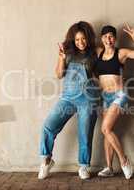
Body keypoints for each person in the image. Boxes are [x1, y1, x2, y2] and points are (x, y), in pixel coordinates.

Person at [38, 21, 100, 180]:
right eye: (77, 39)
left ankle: (84, 166)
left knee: (85, 133)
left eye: (84, 39)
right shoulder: (67, 52)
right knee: (48, 126)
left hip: (88, 98)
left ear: (89, 38)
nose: (81, 42)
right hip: (68, 98)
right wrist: (60, 58)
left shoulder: (95, 53)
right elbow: (59, 75)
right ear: (73, 39)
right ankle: (46, 160)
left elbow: (104, 70)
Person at [95, 24, 134, 179]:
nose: (108, 39)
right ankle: (108, 167)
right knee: (107, 131)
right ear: (102, 39)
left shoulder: (121, 53)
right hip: (105, 97)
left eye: (111, 36)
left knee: (105, 129)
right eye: (105, 36)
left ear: (115, 39)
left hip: (119, 95)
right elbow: (82, 47)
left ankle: (124, 160)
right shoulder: (98, 52)